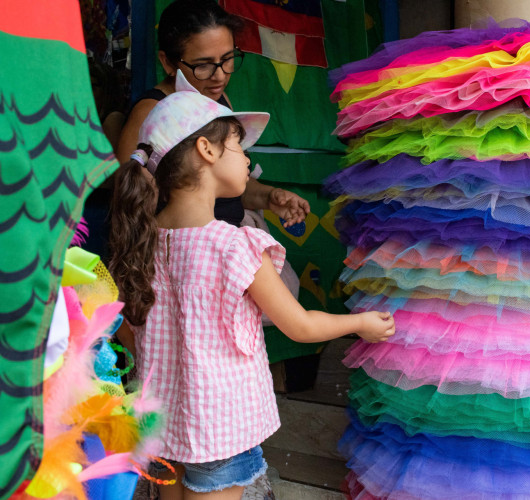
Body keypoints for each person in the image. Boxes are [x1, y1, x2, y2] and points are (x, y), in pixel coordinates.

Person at [108, 71, 395, 500]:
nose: (246, 160)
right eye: (240, 147)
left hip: (161, 427)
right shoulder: (235, 246)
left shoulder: (142, 242)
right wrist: (361, 323)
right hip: (219, 428)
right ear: (206, 150)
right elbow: (299, 326)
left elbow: (128, 334)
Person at [116, 0, 308, 228]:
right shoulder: (150, 114)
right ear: (167, 62)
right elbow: (130, 212)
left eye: (227, 59)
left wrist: (269, 196)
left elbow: (221, 184)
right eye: (203, 64)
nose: (220, 77)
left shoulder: (217, 98)